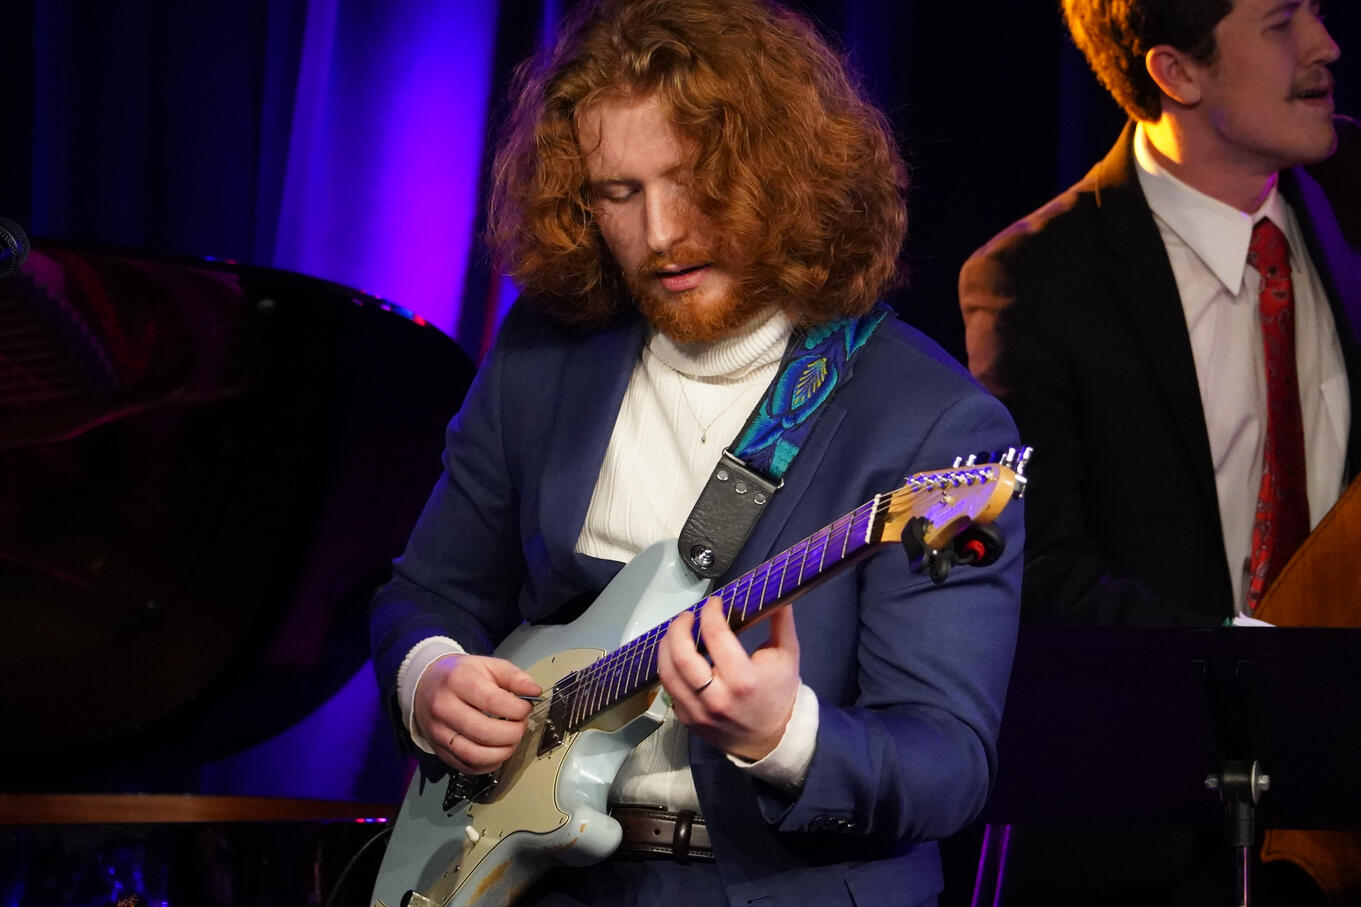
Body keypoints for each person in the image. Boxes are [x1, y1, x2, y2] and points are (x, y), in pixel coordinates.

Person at [369, 0, 1023, 904]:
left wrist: (781, 734)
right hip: (538, 878)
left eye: (692, 181)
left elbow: (947, 764)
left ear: (781, 173)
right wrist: (428, 675)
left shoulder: (937, 428)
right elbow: (427, 592)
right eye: (617, 193)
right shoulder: (544, 350)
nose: (661, 234)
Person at [960, 0, 1359, 903]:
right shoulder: (1035, 277)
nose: (1324, 45)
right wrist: (1256, 676)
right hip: (1148, 844)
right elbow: (1039, 569)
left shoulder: (1354, 190)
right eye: (1279, 20)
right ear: (1176, 73)